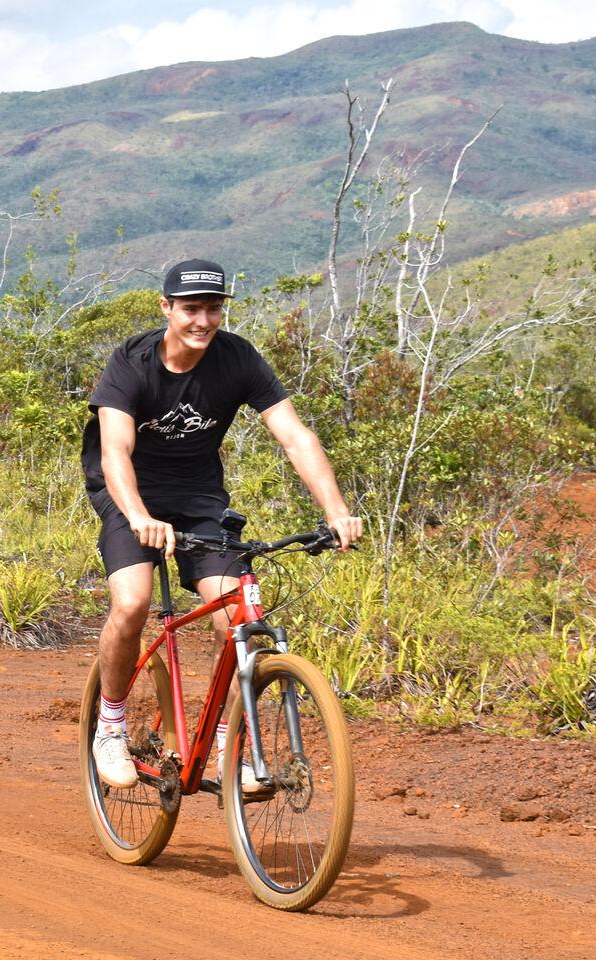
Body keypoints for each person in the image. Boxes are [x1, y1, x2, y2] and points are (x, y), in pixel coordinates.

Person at [81, 259, 363, 789]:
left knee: (236, 619)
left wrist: (336, 510)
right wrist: (139, 516)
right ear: (166, 308)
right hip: (129, 492)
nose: (203, 321)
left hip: (199, 497)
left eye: (213, 308)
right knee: (133, 602)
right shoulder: (132, 362)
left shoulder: (237, 358)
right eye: (190, 309)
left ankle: (231, 747)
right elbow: (115, 450)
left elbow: (295, 436)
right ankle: (111, 724)